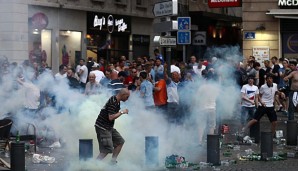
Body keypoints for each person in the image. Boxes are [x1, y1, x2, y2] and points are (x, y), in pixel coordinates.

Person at [94, 88, 130, 165]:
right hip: (102, 127)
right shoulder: (113, 102)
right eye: (127, 97)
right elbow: (111, 117)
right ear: (123, 95)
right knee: (106, 149)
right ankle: (93, 165)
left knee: (120, 141)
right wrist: (122, 112)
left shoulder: (117, 102)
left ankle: (112, 162)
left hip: (108, 127)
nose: (127, 99)